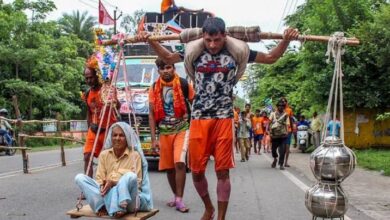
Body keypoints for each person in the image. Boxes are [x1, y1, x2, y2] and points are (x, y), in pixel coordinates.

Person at [138, 17, 299, 220]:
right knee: (196, 172)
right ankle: (209, 208)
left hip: (223, 118)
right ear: (203, 37)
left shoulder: (236, 52)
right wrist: (150, 40)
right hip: (198, 118)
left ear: (224, 36)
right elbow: (169, 58)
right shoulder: (194, 52)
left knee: (222, 172)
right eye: (208, 40)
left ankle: (220, 217)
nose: (212, 45)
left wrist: (286, 39)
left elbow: (270, 58)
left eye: (216, 40)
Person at [75, 122, 153, 217]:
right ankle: (102, 206)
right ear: (110, 138)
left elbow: (138, 183)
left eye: (121, 135)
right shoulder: (104, 155)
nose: (117, 138)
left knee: (131, 176)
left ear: (127, 138)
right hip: (107, 195)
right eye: (114, 135)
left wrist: (114, 183)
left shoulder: (134, 156)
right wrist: (104, 187)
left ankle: (120, 206)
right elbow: (99, 179)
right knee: (79, 178)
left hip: (129, 201)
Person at [148, 58, 194, 213]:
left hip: (182, 129)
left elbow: (196, 104)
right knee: (169, 168)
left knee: (179, 163)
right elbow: (152, 114)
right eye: (162, 68)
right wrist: (154, 139)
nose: (165, 71)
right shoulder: (154, 87)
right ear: (158, 71)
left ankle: (180, 200)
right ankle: (176, 196)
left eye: (168, 67)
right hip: (164, 132)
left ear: (174, 68)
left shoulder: (184, 84)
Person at [82, 56, 119, 178]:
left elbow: (117, 106)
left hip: (107, 130)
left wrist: (114, 99)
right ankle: (88, 186)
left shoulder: (107, 90)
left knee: (107, 159)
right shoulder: (87, 93)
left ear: (97, 75)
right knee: (87, 156)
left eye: (91, 77)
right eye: (86, 78)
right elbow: (89, 112)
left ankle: (106, 185)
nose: (88, 81)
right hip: (93, 130)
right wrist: (89, 130)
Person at [268, 100, 290, 170]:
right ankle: (275, 158)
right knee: (273, 150)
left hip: (283, 135)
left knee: (283, 150)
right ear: (277, 107)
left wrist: (287, 132)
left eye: (282, 106)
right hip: (274, 135)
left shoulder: (286, 115)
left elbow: (287, 124)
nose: (281, 107)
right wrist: (269, 131)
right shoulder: (272, 114)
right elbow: (269, 123)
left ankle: (281, 164)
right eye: (279, 106)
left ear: (284, 107)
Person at [280, 97, 294, 167]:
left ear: (286, 102)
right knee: (281, 147)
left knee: (287, 147)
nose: (283, 103)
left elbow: (291, 120)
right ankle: (281, 160)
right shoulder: (278, 110)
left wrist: (292, 129)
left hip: (288, 131)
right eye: (282, 101)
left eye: (284, 101)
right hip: (280, 131)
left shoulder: (289, 110)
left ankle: (286, 162)